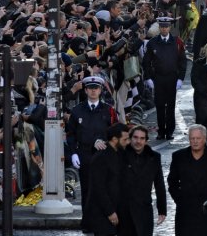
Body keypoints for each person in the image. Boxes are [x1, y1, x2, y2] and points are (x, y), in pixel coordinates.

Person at [65, 75, 119, 232]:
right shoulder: (77, 110)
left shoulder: (109, 110)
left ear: (101, 90)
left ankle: (106, 221)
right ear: (86, 90)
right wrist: (73, 153)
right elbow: (71, 134)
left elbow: (115, 132)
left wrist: (106, 144)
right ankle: (88, 223)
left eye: (96, 88)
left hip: (104, 157)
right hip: (85, 156)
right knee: (87, 190)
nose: (93, 91)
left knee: (105, 189)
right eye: (90, 88)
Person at [168, 124, 207, 236]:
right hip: (185, 212)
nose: (195, 141)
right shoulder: (178, 156)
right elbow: (172, 182)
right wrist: (180, 200)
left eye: (198, 138)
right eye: (192, 138)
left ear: (204, 139)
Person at [143, 16, 187, 140]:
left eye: (166, 26)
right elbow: (146, 62)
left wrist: (180, 78)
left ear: (169, 27)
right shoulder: (153, 42)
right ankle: (161, 131)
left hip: (172, 78)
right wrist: (148, 78)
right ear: (159, 27)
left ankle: (170, 131)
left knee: (171, 105)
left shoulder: (177, 42)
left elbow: (182, 61)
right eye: (162, 26)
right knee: (160, 105)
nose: (164, 29)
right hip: (158, 78)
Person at [119, 125, 167, 236]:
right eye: (135, 137)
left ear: (146, 140)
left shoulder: (154, 157)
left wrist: (162, 210)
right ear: (130, 138)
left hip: (144, 209)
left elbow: (159, 184)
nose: (138, 141)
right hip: (124, 211)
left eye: (142, 138)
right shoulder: (120, 155)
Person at [87, 123, 130, 236]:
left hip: (117, 210)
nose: (128, 142)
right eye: (125, 139)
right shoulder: (100, 158)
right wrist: (110, 212)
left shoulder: (120, 153)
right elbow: (98, 188)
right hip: (102, 214)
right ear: (115, 139)